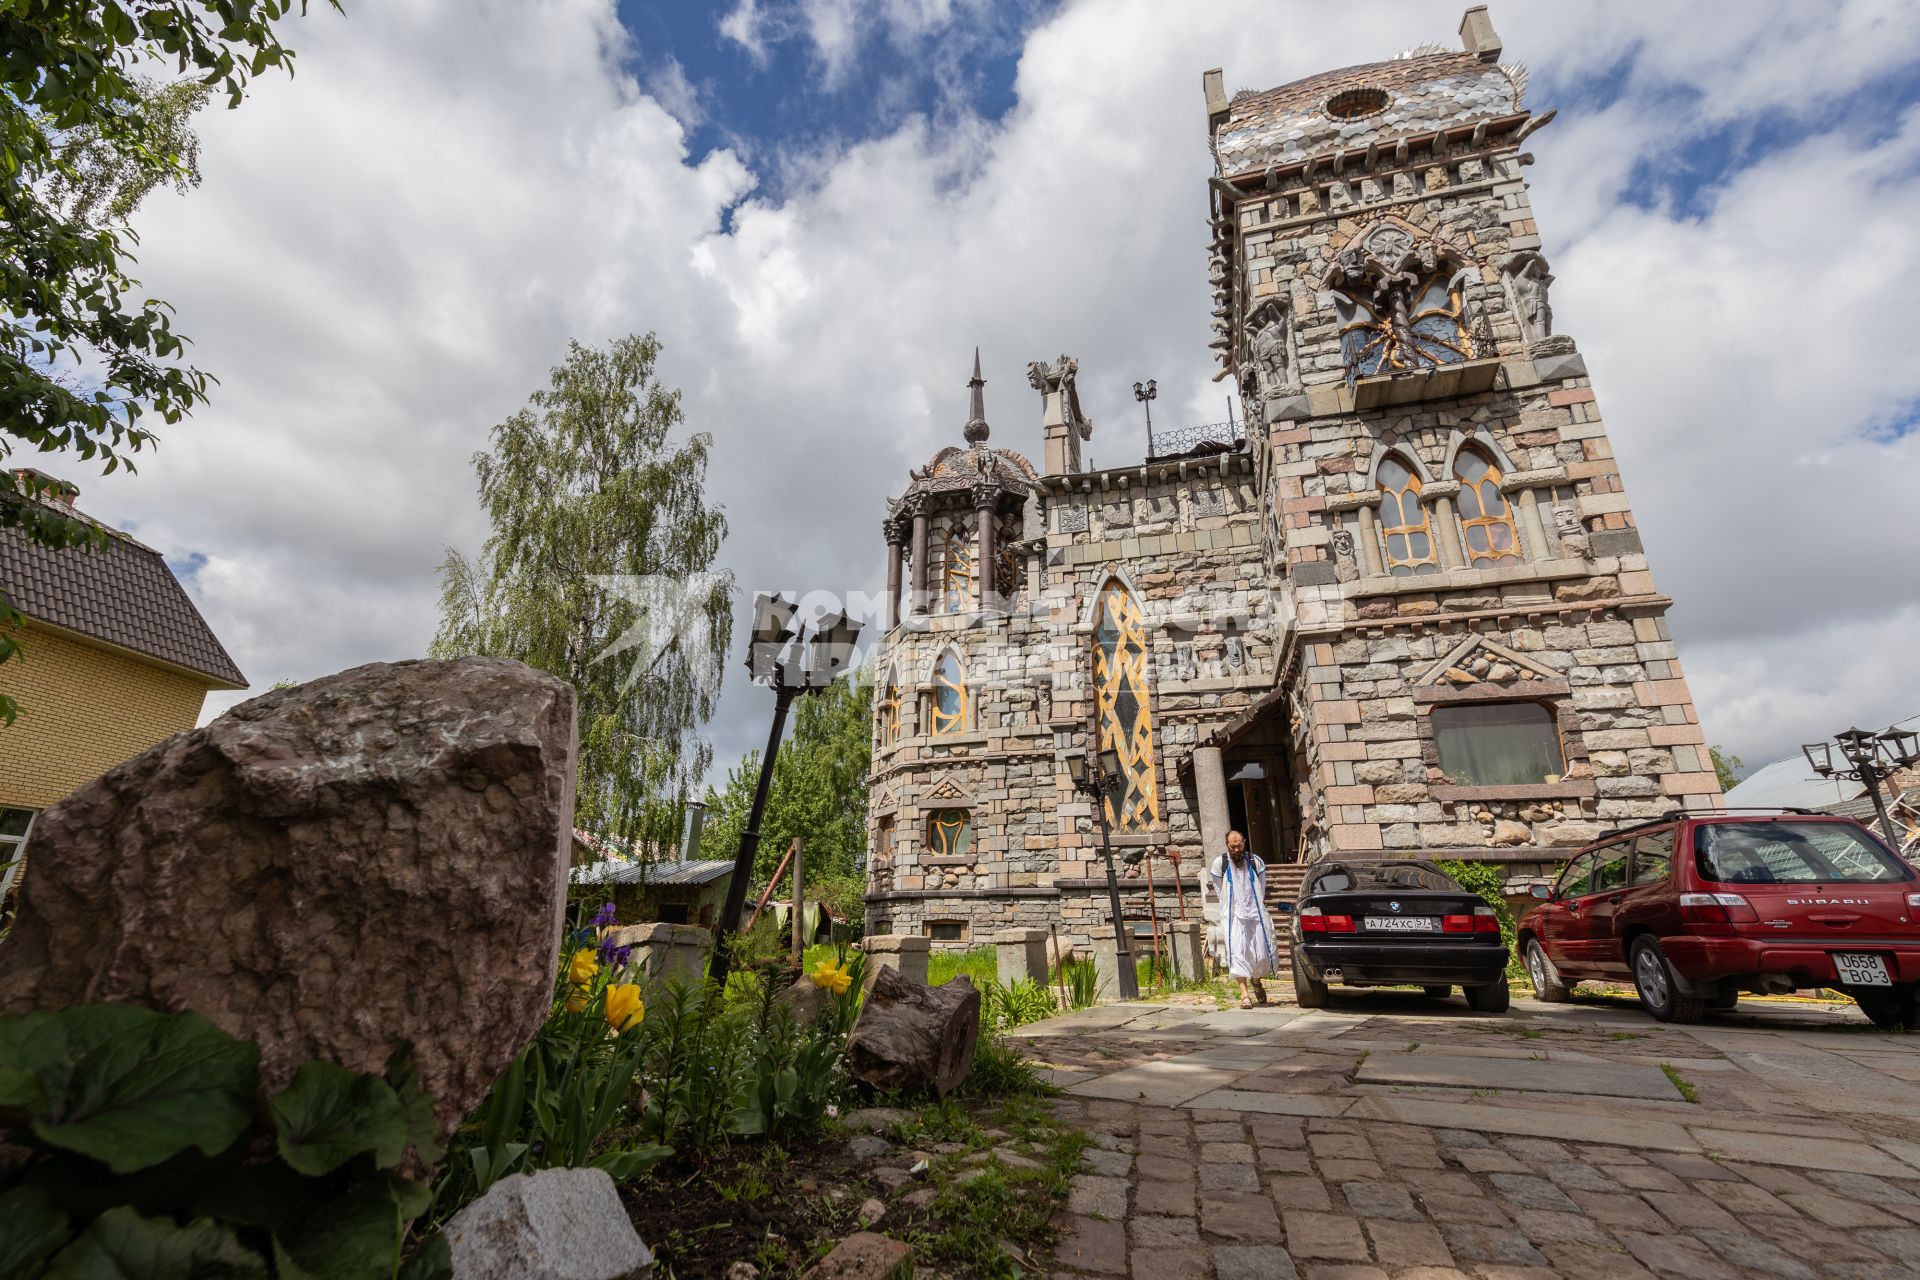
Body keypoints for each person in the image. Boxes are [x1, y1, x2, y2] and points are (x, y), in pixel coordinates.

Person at [1210, 830, 1278, 1008]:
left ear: (1244, 843)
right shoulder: (1220, 864)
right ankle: (1244, 994)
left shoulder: (1256, 861)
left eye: (1239, 845)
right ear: (1227, 845)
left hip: (1255, 915)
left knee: (1260, 954)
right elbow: (1219, 891)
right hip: (1234, 917)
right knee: (1237, 953)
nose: (1236, 849)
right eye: (1233, 846)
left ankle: (1256, 981)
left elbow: (1261, 888)